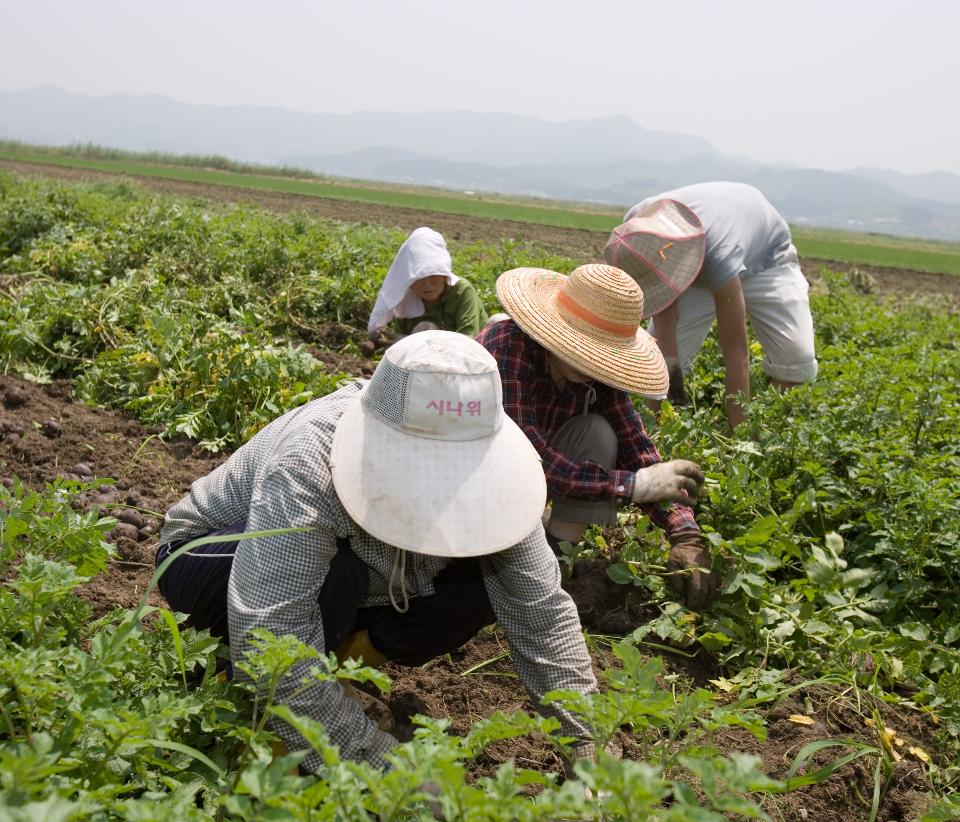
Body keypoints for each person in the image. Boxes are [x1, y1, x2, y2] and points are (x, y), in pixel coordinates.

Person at [155, 331, 598, 771]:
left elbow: (543, 613)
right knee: (336, 576)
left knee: (481, 586)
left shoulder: (493, 457)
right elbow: (270, 636)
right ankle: (250, 720)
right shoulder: (310, 461)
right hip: (208, 562)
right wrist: (391, 775)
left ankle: (328, 684)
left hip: (366, 584)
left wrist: (589, 750)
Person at [477, 263, 717, 610]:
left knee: (599, 434)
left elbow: (637, 449)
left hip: (531, 470)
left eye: (598, 352)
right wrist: (634, 485)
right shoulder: (507, 349)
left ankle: (552, 561)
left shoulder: (597, 374)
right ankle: (490, 561)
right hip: (476, 472)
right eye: (582, 345)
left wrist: (685, 534)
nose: (587, 360)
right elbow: (527, 456)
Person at [605, 182, 818, 429]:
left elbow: (736, 354)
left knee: (795, 357)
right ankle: (657, 433)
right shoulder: (636, 228)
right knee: (653, 364)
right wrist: (671, 365)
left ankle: (766, 429)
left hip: (768, 260)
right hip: (694, 251)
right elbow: (664, 295)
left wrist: (740, 443)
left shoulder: (720, 255)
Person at [367, 227, 488, 342]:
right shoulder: (405, 298)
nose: (427, 284)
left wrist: (412, 342)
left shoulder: (462, 292)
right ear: (410, 282)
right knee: (424, 329)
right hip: (422, 358)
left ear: (444, 274)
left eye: (433, 275)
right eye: (419, 278)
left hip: (473, 354)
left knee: (426, 330)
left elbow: (468, 340)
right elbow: (401, 342)